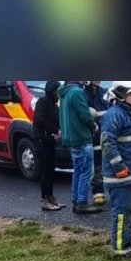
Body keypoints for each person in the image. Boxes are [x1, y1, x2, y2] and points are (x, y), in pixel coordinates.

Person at [100, 82, 131, 258]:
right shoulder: (114, 115)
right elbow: (107, 143)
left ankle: (126, 240)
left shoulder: (129, 115)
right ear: (121, 95)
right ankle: (121, 248)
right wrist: (119, 167)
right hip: (120, 177)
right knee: (122, 212)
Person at [58, 81, 102, 214]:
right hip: (81, 138)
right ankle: (82, 203)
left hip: (71, 139)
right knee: (87, 172)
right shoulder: (77, 92)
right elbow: (85, 114)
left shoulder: (64, 92)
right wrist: (94, 126)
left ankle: (76, 200)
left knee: (77, 170)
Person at [31, 80, 63, 211]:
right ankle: (45, 199)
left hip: (49, 141)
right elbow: (40, 119)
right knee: (45, 171)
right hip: (41, 140)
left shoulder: (55, 105)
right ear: (51, 91)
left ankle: (51, 197)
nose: (58, 94)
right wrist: (55, 130)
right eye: (57, 91)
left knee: (51, 170)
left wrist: (58, 130)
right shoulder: (43, 102)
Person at [84, 80, 109, 206]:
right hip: (92, 136)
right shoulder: (84, 94)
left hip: (105, 134)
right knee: (96, 164)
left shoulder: (104, 94)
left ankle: (110, 190)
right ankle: (98, 192)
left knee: (108, 163)